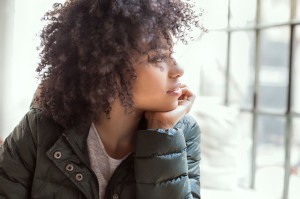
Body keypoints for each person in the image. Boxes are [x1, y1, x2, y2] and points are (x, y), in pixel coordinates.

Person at [0, 0, 203, 198]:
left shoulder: (183, 133)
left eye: (172, 54)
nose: (179, 70)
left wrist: (162, 133)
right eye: (158, 57)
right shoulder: (40, 127)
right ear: (107, 66)